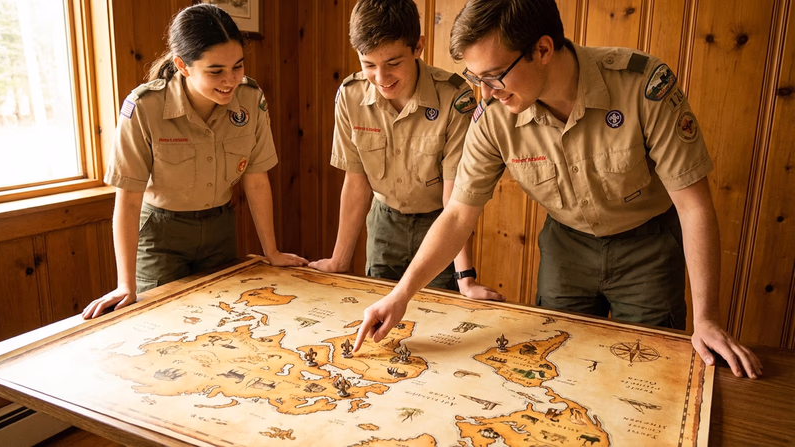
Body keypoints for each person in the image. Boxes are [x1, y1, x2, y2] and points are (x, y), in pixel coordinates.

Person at [353, 0, 763, 379]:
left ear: (543, 49)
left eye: (494, 76)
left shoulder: (642, 86)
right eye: (475, 79)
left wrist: (708, 318)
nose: (485, 92)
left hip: (648, 249)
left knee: (644, 372)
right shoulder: (493, 113)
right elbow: (458, 214)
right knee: (557, 365)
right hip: (566, 250)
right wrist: (401, 295)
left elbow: (694, 206)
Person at [83, 4, 306, 319]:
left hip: (220, 228)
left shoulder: (250, 99)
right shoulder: (144, 108)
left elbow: (256, 178)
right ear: (182, 65)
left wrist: (271, 252)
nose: (230, 80)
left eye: (238, 66)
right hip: (161, 235)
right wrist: (125, 284)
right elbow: (129, 199)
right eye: (215, 71)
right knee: (165, 327)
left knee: (226, 322)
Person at [308, 0, 503, 301]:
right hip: (384, 220)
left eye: (393, 63)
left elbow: (456, 199)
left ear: (418, 47)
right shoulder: (350, 96)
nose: (381, 78)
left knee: (437, 314)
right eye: (368, 65)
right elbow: (356, 182)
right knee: (380, 314)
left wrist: (465, 278)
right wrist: (339, 260)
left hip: (438, 223)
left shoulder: (454, 98)